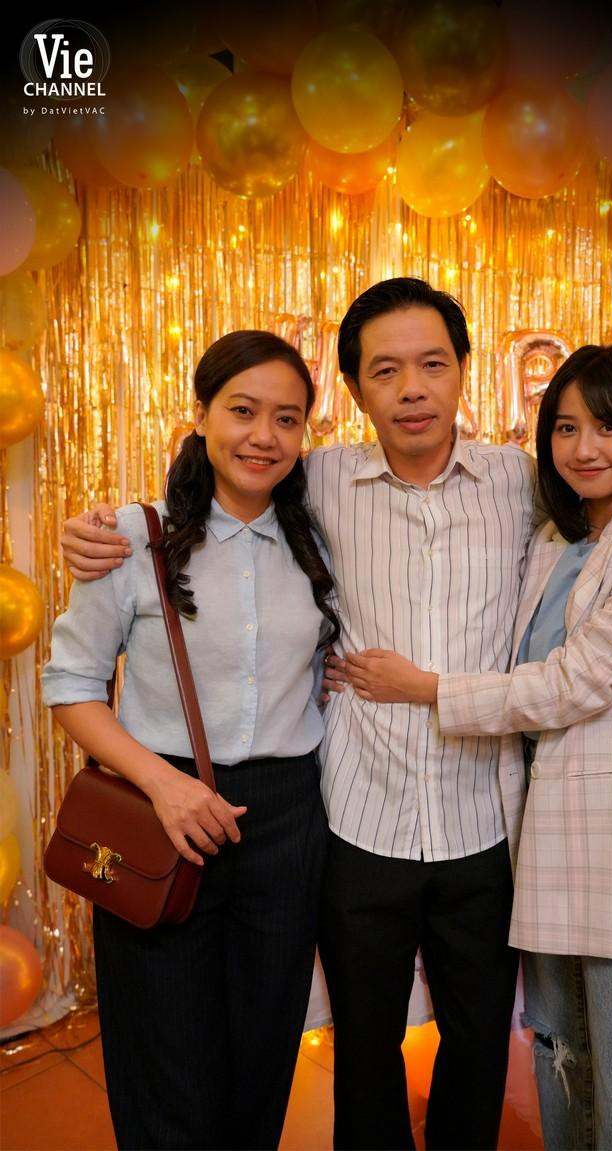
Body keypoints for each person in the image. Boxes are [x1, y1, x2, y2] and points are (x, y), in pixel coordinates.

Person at [59, 281, 612, 1151]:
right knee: (364, 1051)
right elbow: (224, 485)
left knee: (481, 1045)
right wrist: (102, 530)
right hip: (359, 816)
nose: (412, 388)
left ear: (463, 370)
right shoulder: (319, 479)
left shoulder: (521, 481)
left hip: (486, 820)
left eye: (432, 364)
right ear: (354, 388)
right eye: (385, 370)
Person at [342, 342, 612, 1151]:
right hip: (545, 843)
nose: (585, 447)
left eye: (610, 426)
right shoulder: (553, 537)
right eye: (567, 427)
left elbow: (577, 680)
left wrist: (429, 688)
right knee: (563, 1075)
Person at [42, 331, 339, 1151]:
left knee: (263, 1056)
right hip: (157, 806)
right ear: (201, 413)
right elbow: (70, 684)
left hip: (287, 817)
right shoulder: (133, 537)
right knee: (164, 1059)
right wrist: (164, 785)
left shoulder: (319, 543)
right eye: (242, 410)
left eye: (287, 418)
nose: (263, 436)